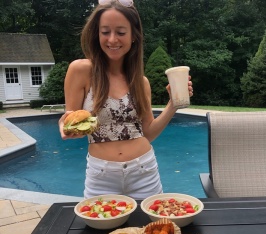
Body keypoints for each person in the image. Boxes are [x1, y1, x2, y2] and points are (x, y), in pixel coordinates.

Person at [58, 0, 193, 200]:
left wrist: (173, 104)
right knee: (99, 229)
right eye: (105, 32)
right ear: (97, 34)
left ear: (133, 37)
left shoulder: (141, 82)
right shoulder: (80, 70)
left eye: (121, 32)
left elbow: (148, 132)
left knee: (152, 229)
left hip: (145, 171)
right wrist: (66, 126)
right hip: (101, 175)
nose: (112, 39)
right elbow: (71, 119)